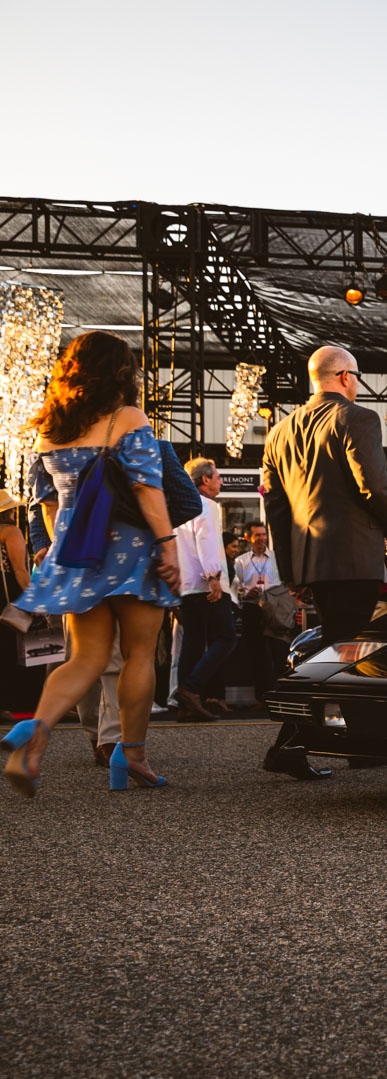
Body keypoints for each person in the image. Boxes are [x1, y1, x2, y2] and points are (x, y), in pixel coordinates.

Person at [1, 331, 181, 796]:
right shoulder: (127, 417)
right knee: (140, 654)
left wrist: (62, 548)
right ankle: (131, 755)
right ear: (122, 371)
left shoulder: (50, 427)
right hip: (132, 552)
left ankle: (35, 729)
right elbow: (146, 487)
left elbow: (48, 504)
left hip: (77, 555)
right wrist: (168, 544)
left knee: (85, 658)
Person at [259, 344, 387, 779]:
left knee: (342, 649)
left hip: (313, 560)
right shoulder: (357, 419)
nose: (358, 383)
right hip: (353, 558)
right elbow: (374, 485)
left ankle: (307, 744)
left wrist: (291, 570)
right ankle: (294, 745)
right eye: (357, 376)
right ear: (344, 377)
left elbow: (277, 510)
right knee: (342, 654)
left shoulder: (279, 432)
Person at [171, 458, 234, 721]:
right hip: (206, 582)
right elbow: (206, 540)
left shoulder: (177, 507)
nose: (220, 482)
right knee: (226, 638)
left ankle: (187, 706)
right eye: (218, 476)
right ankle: (191, 688)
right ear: (205, 480)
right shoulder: (206, 505)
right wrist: (214, 576)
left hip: (185, 585)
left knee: (193, 642)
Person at [232, 521, 288, 706]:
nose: (261, 539)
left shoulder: (276, 558)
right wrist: (246, 592)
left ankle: (280, 694)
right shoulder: (241, 561)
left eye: (264, 535)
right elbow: (236, 586)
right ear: (248, 538)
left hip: (274, 609)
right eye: (257, 535)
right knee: (257, 653)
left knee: (279, 650)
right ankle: (261, 697)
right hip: (252, 608)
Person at [0, 490, 42, 718]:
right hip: (8, 595)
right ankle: (12, 702)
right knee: (9, 650)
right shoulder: (10, 531)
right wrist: (32, 598)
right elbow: (19, 569)